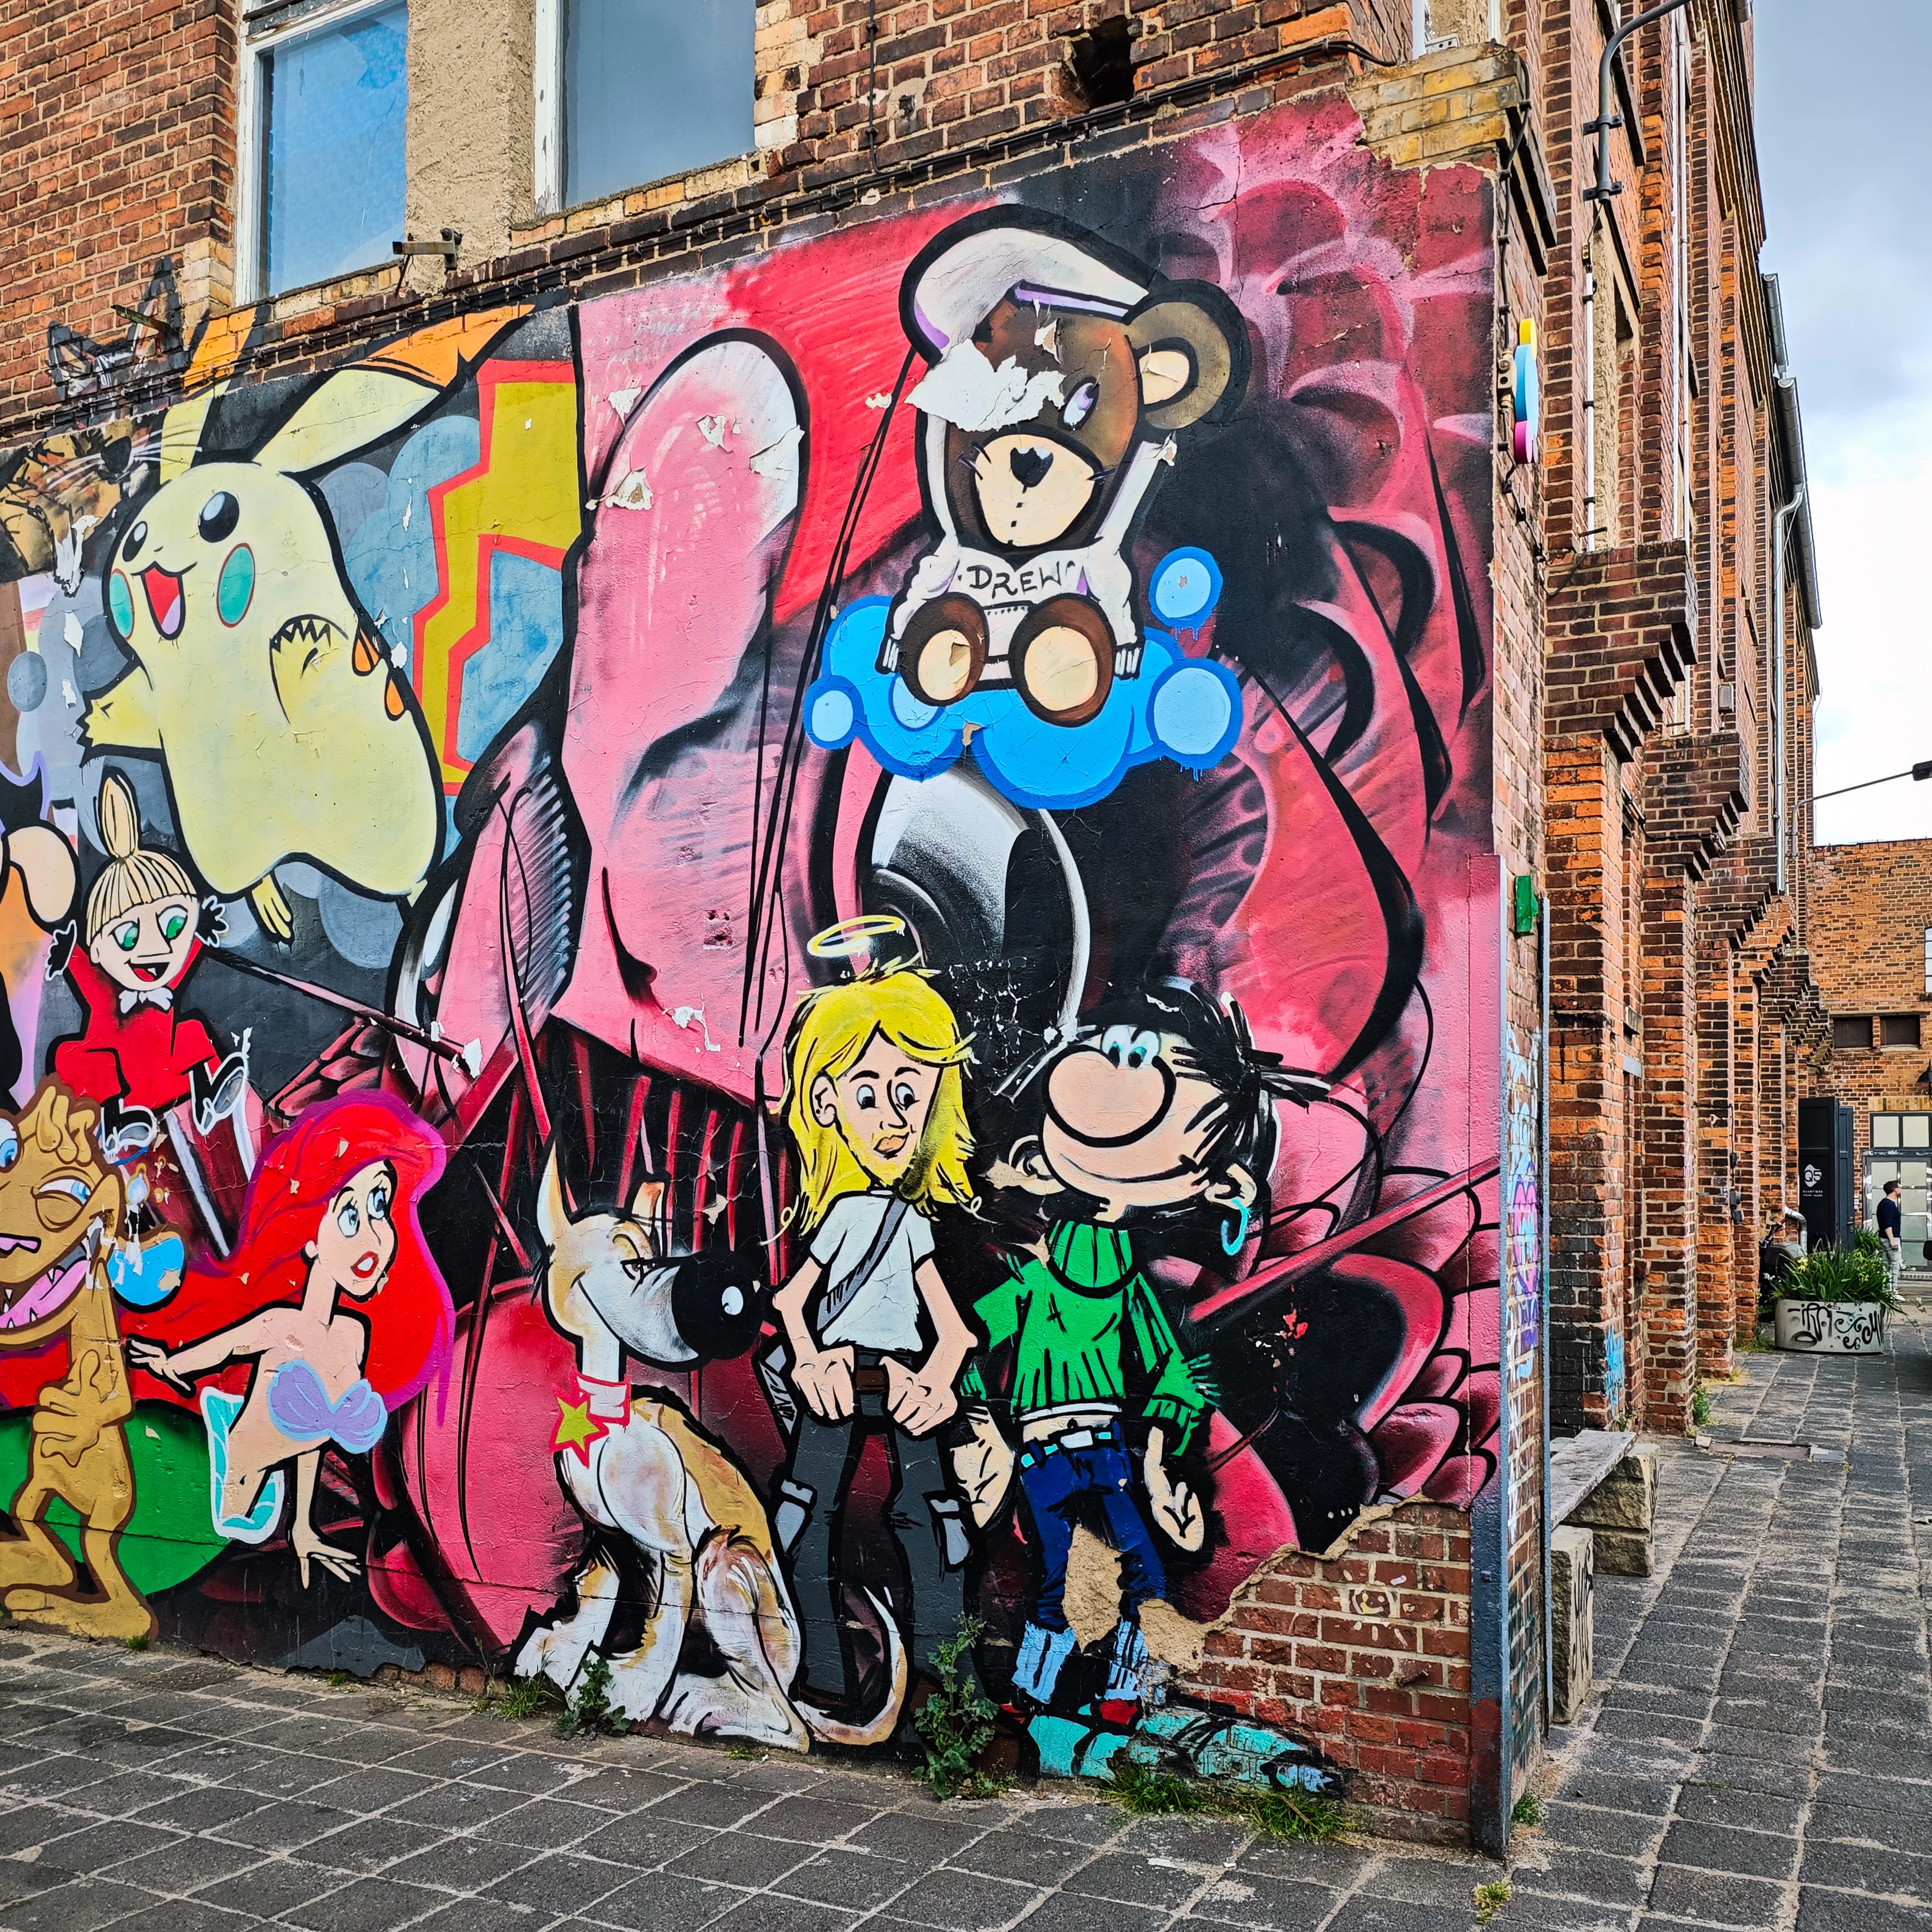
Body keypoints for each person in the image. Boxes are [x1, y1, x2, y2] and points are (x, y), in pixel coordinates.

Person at [962, 979, 1320, 1722]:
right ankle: (1032, 1697)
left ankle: (1118, 1694)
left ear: (1217, 1182)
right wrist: (977, 1427)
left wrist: (1158, 1466)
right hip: (1045, 1454)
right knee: (1058, 1583)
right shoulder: (1034, 1277)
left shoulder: (1120, 1284)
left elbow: (1171, 1371)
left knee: (1141, 1576)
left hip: (1103, 1451)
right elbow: (970, 1344)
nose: (1123, 1072)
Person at [124, 1092, 453, 1587]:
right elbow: (223, 1349)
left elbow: (311, 1434)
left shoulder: (353, 1334)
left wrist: (303, 1527)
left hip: (268, 1504)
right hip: (223, 1487)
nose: (373, 1234)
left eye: (380, 1205)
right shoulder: (282, 1326)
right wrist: (167, 1364)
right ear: (310, 1238)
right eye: (350, 1214)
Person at [769, 964, 979, 1712]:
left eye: (908, 1094)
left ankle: (947, 1683)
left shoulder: (910, 1218)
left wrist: (938, 1382)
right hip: (840, 1376)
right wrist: (810, 1361)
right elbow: (792, 1301)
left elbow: (953, 1329)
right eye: (867, 1094)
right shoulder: (846, 1214)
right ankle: (823, 1674)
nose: (892, 1117)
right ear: (826, 1102)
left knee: (935, 1522)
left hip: (900, 1376)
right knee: (804, 1518)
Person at [51, 771, 244, 1150]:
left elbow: (185, 957)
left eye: (173, 924)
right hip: (128, 1086)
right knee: (91, 1061)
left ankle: (208, 1092)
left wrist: (199, 930)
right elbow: (84, 971)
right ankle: (115, 1121)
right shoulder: (106, 994)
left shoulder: (165, 983)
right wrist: (68, 952)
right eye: (128, 936)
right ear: (98, 947)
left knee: (191, 1031)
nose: (156, 946)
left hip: (165, 1076)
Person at [1878, 1177, 1904, 1297]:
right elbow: (1888, 1224)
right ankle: (1893, 1291)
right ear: (1895, 1190)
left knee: (1886, 1265)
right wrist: (1893, 1240)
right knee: (1895, 1265)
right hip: (1891, 1239)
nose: (1901, 1188)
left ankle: (1886, 1290)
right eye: (1899, 1187)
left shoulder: (1884, 1204)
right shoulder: (1889, 1205)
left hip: (1884, 1239)